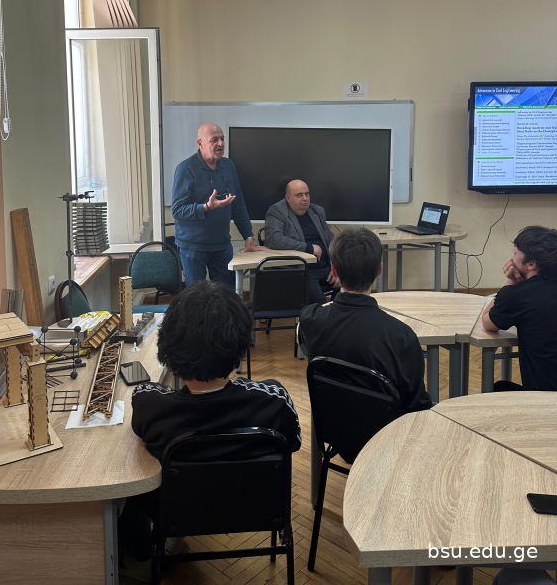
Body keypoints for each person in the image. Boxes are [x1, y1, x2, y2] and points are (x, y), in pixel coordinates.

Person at [120, 280, 302, 565]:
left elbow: (145, 395)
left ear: (169, 344)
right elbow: (294, 442)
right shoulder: (274, 401)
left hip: (178, 512)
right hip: (256, 509)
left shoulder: (149, 407)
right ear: (239, 343)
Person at [298, 227, 432, 412]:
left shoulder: (310, 320)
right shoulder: (401, 337)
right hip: (388, 428)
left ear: (334, 270)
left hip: (331, 424)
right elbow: (417, 405)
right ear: (379, 270)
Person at [171, 123, 263, 286]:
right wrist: (206, 207)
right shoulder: (186, 169)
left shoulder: (228, 166)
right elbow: (177, 210)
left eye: (222, 139)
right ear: (200, 143)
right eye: (214, 140)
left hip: (221, 244)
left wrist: (248, 236)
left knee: (225, 292)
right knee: (196, 295)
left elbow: (238, 204)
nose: (220, 144)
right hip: (193, 247)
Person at [481, 225, 557, 392]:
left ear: (531, 264)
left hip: (545, 399)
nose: (512, 255)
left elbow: (488, 322)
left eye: (516, 253)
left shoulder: (518, 295)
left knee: (499, 388)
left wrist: (511, 282)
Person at [264, 179, 340, 304]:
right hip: (301, 271)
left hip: (326, 267)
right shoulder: (277, 211)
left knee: (348, 285)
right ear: (288, 198)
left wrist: (336, 266)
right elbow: (274, 239)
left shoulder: (317, 211)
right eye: (299, 195)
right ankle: (323, 315)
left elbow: (331, 241)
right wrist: (308, 248)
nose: (305, 198)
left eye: (307, 194)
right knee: (319, 301)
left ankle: (336, 313)